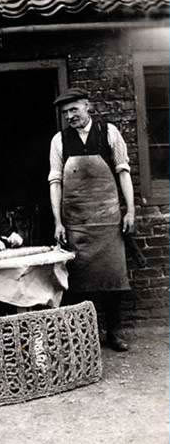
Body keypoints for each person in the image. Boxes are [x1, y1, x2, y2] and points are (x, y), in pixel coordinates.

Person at [48, 87, 135, 352]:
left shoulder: (109, 132)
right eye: (65, 112)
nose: (70, 116)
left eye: (74, 109)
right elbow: (55, 181)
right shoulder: (59, 140)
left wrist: (129, 210)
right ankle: (87, 335)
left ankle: (114, 332)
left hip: (108, 219)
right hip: (77, 222)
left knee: (113, 280)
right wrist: (58, 222)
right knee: (80, 282)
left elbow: (123, 172)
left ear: (88, 107)